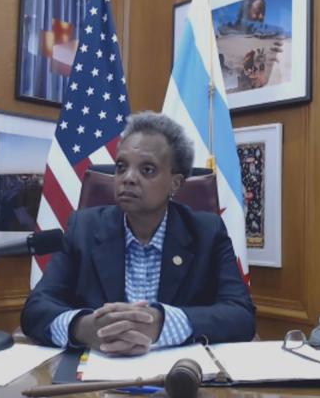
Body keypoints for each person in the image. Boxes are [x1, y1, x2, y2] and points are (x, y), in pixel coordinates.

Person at [21, 111, 255, 356]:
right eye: (121, 167)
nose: (128, 178)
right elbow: (36, 309)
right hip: (98, 368)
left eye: (147, 169)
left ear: (175, 183)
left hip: (177, 370)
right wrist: (83, 327)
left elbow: (241, 315)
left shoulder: (207, 232)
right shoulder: (83, 228)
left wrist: (162, 324)